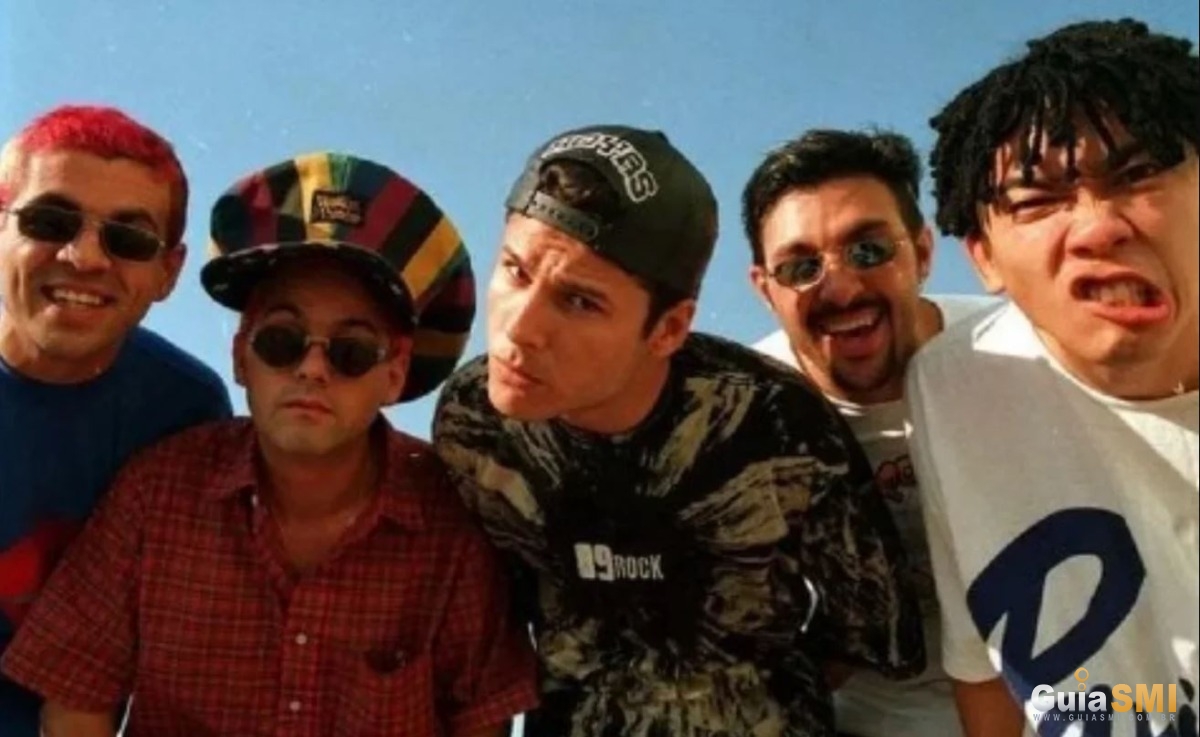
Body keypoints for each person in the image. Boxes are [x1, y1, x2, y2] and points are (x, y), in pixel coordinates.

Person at [2, 152, 539, 736]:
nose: (312, 369)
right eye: (282, 341)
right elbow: (77, 698)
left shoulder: (452, 523)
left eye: (352, 351)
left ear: (395, 372)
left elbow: (482, 720)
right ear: (240, 355)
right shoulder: (156, 494)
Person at [432, 124, 925, 737]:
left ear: (668, 329)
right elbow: (485, 625)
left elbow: (872, 630)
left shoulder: (775, 426)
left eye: (581, 302)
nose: (520, 329)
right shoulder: (474, 423)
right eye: (515, 270)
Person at [909, 18, 1199, 736]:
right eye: (1036, 200)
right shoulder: (952, 389)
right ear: (984, 256)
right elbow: (984, 674)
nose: (1098, 227)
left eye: (1137, 175)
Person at [744, 128, 997, 737]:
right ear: (764, 289)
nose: (841, 288)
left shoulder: (1022, 357)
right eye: (800, 267)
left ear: (923, 252)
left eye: (869, 250)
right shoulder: (739, 417)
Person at [0, 104, 232, 733]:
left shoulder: (185, 411)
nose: (84, 258)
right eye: (51, 221)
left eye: (128, 239)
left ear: (168, 273)